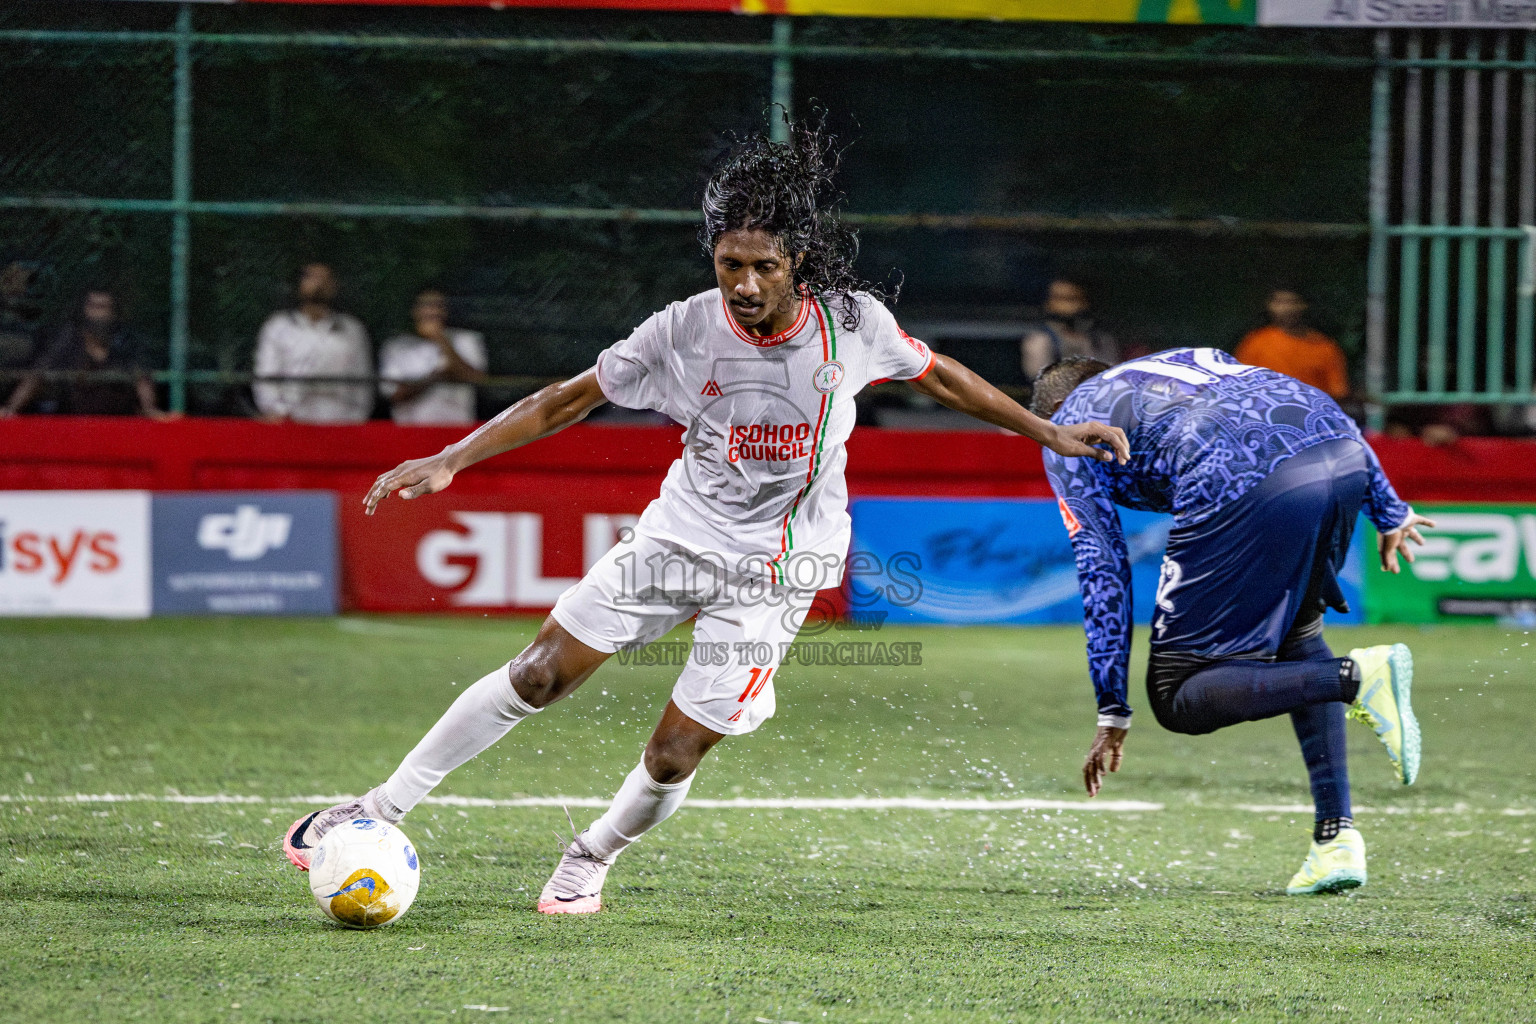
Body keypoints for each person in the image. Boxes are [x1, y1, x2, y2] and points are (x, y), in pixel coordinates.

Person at [280, 120, 1130, 915]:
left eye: (763, 265)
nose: (745, 284)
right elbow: (565, 399)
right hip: (678, 539)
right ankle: (372, 810)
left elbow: (941, 376)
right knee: (539, 672)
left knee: (672, 754)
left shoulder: (851, 326)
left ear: (797, 260)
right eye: (730, 264)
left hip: (778, 570)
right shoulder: (682, 329)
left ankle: (592, 854)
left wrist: (1049, 429)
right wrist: (452, 457)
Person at [1033, 349, 1435, 895]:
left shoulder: (1067, 423)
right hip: (1342, 455)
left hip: (1239, 474)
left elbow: (1102, 562)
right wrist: (1389, 510)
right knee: (1298, 634)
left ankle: (1357, 678)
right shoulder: (1185, 360)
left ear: (1055, 408)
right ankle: (1335, 839)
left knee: (1179, 692)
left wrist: (1112, 706)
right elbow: (1293, 401)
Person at [0, 288, 174, 419]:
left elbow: (142, 378)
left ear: (113, 313)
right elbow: (38, 374)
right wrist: (12, 408)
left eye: (103, 307)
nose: (96, 314)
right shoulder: (69, 339)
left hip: (116, 426)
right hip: (74, 425)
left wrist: (150, 409)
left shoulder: (126, 342)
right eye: (92, 306)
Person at [253, 263, 373, 424]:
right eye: (312, 277)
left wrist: (355, 420)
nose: (319, 284)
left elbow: (362, 380)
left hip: (340, 423)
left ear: (334, 286)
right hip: (291, 423)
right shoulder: (277, 327)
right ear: (299, 285)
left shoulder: (352, 329)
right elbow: (265, 376)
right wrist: (276, 412)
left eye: (325, 279)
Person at [378, 288, 488, 425]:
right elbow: (394, 394)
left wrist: (440, 339)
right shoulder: (396, 346)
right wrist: (436, 377)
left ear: (446, 310)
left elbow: (476, 379)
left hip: (458, 431)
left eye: (437, 306)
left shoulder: (465, 339)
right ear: (414, 310)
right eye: (425, 305)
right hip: (410, 431)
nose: (432, 311)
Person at [1235, 288, 1349, 400]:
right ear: (1269, 305)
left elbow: (1338, 392)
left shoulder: (1324, 346)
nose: (1286, 308)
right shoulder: (1255, 342)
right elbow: (1241, 386)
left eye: (1292, 302)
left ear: (1305, 305)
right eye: (1279, 302)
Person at [1020, 277, 1120, 381]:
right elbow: (1038, 376)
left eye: (1073, 299)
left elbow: (1112, 371)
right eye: (1059, 298)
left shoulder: (1100, 339)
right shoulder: (1040, 339)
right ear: (1048, 302)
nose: (1066, 306)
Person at [0, 260, 43, 409]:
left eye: (30, 280)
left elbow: (41, 372)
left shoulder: (40, 329)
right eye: (9, 279)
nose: (17, 286)